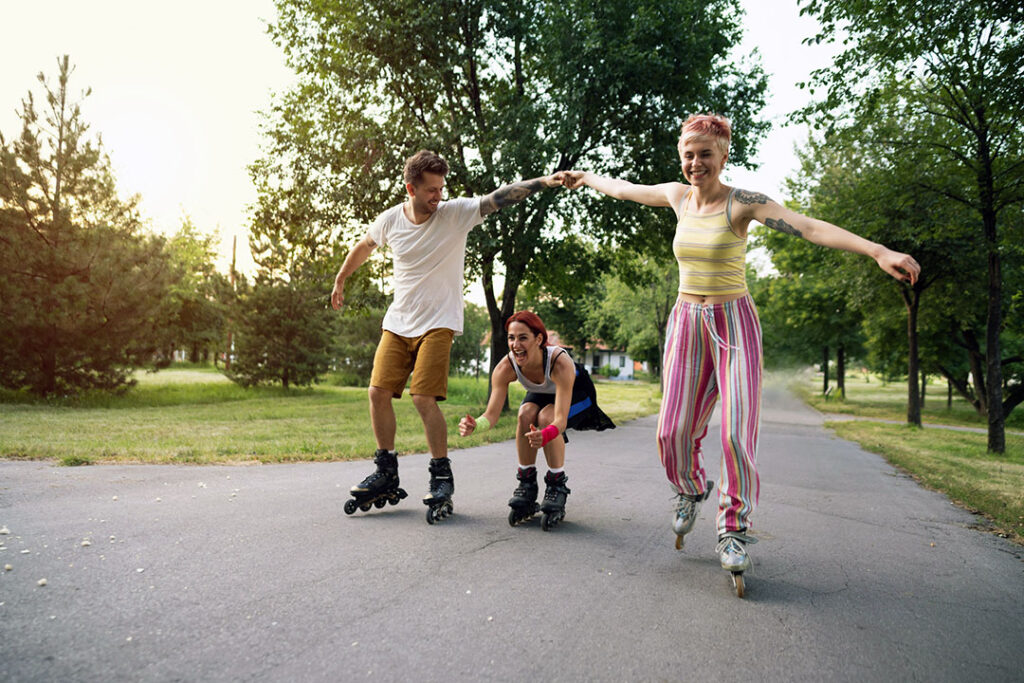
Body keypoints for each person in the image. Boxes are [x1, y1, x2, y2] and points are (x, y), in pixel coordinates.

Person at [562, 114, 920, 587]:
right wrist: (585, 177)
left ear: (724, 154)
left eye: (705, 154)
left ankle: (733, 529)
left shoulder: (743, 203)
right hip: (687, 322)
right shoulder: (677, 197)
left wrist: (877, 251)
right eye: (688, 155)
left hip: (735, 325)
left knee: (735, 432)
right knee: (670, 431)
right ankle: (690, 489)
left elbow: (807, 227)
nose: (696, 163)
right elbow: (625, 188)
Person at [332, 150, 564, 524]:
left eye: (442, 189)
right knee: (376, 392)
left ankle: (441, 474)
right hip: (399, 321)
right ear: (410, 188)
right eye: (430, 191)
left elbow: (498, 197)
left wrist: (543, 182)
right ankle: (386, 469)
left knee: (422, 397)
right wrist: (342, 278)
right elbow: (365, 245)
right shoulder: (391, 220)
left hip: (438, 323)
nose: (438, 196)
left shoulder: (454, 214)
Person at [458, 311, 614, 530]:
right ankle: (527, 483)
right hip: (543, 393)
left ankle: (556, 484)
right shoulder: (505, 367)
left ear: (539, 339)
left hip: (578, 394)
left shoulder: (559, 362)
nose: (515, 344)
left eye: (523, 337)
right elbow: (491, 415)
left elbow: (559, 420)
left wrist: (546, 434)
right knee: (525, 414)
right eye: (512, 338)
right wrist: (476, 424)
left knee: (546, 417)